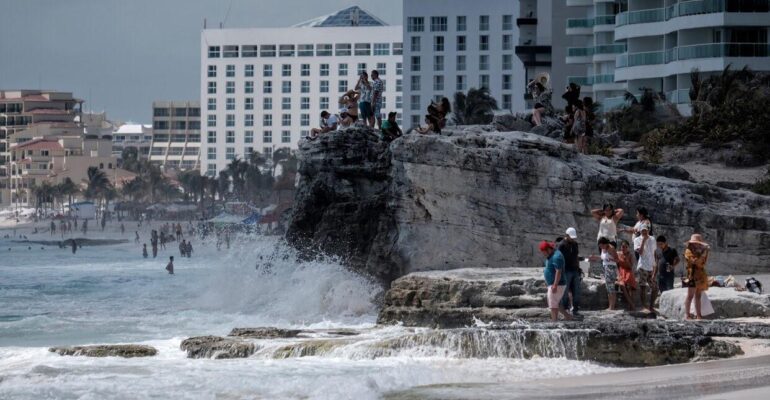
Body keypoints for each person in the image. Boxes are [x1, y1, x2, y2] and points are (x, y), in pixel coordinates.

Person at [539, 241, 571, 321]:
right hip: (554, 284)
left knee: (553, 306)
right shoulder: (552, 254)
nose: (543, 254)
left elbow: (558, 271)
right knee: (556, 303)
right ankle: (568, 317)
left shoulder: (557, 257)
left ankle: (554, 323)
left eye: (544, 252)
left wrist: (555, 285)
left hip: (558, 284)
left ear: (548, 249)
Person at [683, 234, 710, 319]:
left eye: (698, 243)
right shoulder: (688, 251)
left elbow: (703, 262)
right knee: (690, 296)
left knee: (698, 296)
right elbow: (694, 261)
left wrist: (703, 253)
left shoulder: (702, 251)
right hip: (692, 275)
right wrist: (702, 253)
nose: (696, 244)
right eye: (695, 243)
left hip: (700, 275)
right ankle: (687, 315)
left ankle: (699, 315)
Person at [633, 223, 657, 313]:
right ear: (640, 231)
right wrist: (643, 241)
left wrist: (655, 265)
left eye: (645, 230)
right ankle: (644, 306)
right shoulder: (637, 240)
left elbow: (653, 252)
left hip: (651, 266)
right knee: (643, 286)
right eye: (642, 230)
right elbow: (640, 252)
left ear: (648, 230)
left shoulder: (652, 239)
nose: (644, 232)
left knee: (655, 287)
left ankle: (651, 306)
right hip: (642, 266)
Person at [558, 227, 582, 317]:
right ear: (566, 235)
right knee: (565, 291)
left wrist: (578, 268)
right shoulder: (561, 245)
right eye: (571, 237)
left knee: (576, 290)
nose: (572, 239)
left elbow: (576, 256)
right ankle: (565, 309)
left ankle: (575, 308)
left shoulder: (575, 244)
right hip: (566, 270)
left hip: (574, 270)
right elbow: (558, 258)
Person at [596, 237, 619, 310]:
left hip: (611, 269)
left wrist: (611, 259)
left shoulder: (611, 249)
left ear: (605, 244)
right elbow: (603, 258)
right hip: (606, 268)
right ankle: (610, 306)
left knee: (611, 288)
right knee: (608, 288)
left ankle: (612, 306)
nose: (600, 247)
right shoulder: (604, 248)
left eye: (601, 245)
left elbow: (617, 260)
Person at [617, 239, 637, 311]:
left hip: (628, 271)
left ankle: (631, 306)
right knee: (622, 285)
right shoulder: (618, 254)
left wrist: (627, 260)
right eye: (623, 246)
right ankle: (632, 304)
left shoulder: (630, 255)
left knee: (630, 285)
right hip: (621, 272)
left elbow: (630, 267)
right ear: (621, 247)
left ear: (628, 247)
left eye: (625, 247)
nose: (624, 248)